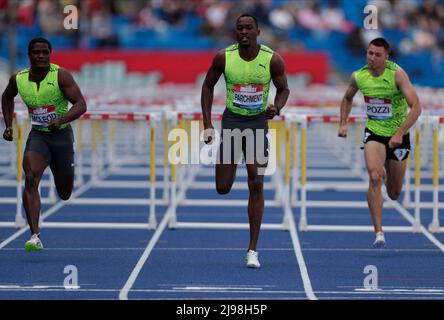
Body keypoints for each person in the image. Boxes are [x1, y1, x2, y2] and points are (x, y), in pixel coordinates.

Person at [201, 14, 289, 268]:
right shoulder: (223, 57)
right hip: (232, 123)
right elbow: (207, 87)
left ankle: (253, 250)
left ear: (258, 31)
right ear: (235, 32)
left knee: (256, 182)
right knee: (223, 187)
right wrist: (207, 124)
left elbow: (284, 89)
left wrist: (277, 107)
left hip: (257, 125)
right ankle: (232, 164)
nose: (244, 32)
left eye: (248, 28)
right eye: (239, 28)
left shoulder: (272, 59)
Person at [2, 37, 87, 251]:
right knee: (30, 177)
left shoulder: (61, 76)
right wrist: (8, 124)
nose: (40, 56)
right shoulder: (18, 79)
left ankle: (64, 179)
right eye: (36, 52)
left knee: (65, 192)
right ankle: (34, 235)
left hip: (61, 138)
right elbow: (6, 97)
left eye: (44, 52)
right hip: (38, 136)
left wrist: (60, 120)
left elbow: (81, 105)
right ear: (29, 55)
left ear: (50, 54)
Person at [338, 38, 421, 248]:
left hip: (398, 135)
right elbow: (347, 98)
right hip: (374, 131)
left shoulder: (397, 75)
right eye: (369, 53)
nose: (372, 58)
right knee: (374, 176)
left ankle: (386, 170)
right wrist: (343, 123)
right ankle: (379, 232)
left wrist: (400, 133)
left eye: (377, 55)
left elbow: (417, 107)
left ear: (387, 57)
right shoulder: (359, 76)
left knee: (394, 193)